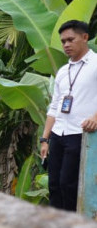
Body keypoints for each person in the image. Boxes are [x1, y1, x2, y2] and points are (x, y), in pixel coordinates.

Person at [40, 20, 97, 211]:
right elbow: (55, 106)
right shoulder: (63, 72)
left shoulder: (95, 64)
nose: (65, 45)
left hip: (80, 134)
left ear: (85, 37)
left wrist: (95, 117)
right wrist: (45, 138)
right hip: (58, 133)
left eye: (70, 40)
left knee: (69, 184)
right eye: (63, 41)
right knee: (54, 184)